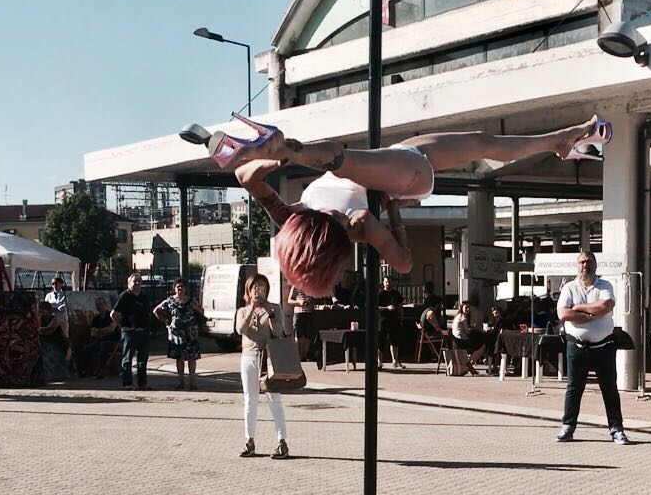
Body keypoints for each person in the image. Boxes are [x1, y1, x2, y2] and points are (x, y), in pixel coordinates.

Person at [228, 116, 609, 297]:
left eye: (333, 223)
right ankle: (289, 147)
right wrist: (394, 216)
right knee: (341, 160)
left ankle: (558, 140)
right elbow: (405, 264)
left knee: (483, 141)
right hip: (406, 176)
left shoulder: (292, 217)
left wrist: (270, 161)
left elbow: (246, 179)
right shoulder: (359, 225)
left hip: (392, 159)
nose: (340, 220)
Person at [556, 251, 629, 444]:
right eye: (581, 262)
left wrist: (578, 308)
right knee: (574, 388)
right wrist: (591, 315)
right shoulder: (569, 287)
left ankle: (616, 429)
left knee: (609, 389)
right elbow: (563, 314)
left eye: (588, 262)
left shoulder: (605, 285)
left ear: (595, 264)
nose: (585, 266)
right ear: (577, 265)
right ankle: (568, 427)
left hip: (604, 346)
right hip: (577, 346)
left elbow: (605, 307)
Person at [235, 274, 289, 459]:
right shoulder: (242, 310)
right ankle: (249, 440)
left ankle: (282, 442)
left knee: (274, 399)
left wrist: (270, 313)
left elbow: (279, 332)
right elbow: (240, 330)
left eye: (262, 286)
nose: (258, 290)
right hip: (248, 358)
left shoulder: (274, 308)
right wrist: (252, 309)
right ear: (249, 291)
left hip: (268, 359)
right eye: (255, 287)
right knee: (250, 400)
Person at [154, 279, 204, 390]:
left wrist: (196, 308)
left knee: (192, 358)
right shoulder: (170, 301)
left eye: (182, 286)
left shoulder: (191, 301)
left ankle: (192, 381)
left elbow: (202, 311)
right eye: (178, 287)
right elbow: (156, 311)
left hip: (190, 333)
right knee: (179, 358)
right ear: (174, 288)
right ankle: (181, 381)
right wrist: (166, 321)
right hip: (177, 334)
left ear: (186, 288)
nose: (180, 289)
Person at [111, 273, 152, 390]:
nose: (137, 284)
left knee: (142, 359)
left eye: (139, 282)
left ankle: (142, 384)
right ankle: (127, 383)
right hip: (130, 332)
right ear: (129, 283)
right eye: (134, 282)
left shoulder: (144, 296)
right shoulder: (124, 296)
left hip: (143, 331)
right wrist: (121, 326)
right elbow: (113, 313)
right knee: (127, 359)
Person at [79, 296, 119, 379]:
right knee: (86, 348)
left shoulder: (111, 316)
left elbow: (111, 329)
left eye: (101, 304)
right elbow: (92, 334)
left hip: (113, 341)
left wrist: (98, 330)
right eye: (97, 305)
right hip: (99, 341)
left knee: (103, 345)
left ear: (105, 305)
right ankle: (84, 370)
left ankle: (101, 371)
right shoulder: (96, 319)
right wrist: (104, 332)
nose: (99, 306)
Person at [451, 301, 486, 374]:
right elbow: (467, 331)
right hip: (461, 340)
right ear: (462, 308)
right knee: (482, 346)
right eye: (466, 308)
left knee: (478, 342)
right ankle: (469, 363)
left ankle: (469, 364)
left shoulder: (458, 316)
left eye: (469, 308)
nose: (468, 309)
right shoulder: (463, 316)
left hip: (456, 340)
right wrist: (474, 328)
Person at [378, 275, 404, 369]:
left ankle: (395, 361)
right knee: (381, 341)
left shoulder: (396, 294)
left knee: (394, 341)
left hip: (394, 320)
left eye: (389, 281)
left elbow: (400, 306)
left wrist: (401, 318)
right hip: (383, 320)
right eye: (386, 282)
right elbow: (376, 307)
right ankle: (379, 362)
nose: (388, 283)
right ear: (383, 283)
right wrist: (387, 308)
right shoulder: (380, 294)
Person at [287, 285, 314, 361]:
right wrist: (299, 302)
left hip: (308, 313)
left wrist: (310, 302)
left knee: (307, 336)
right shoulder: (296, 286)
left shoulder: (311, 286)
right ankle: (298, 356)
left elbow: (314, 300)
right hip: (299, 313)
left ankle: (304, 356)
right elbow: (289, 300)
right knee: (298, 335)